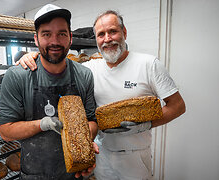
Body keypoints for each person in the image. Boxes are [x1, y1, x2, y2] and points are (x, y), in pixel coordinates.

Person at [17, 10, 186, 180]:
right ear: (96, 39)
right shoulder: (90, 68)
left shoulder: (149, 64)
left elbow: (178, 106)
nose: (107, 39)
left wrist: (145, 125)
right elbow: (58, 62)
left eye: (113, 31)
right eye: (101, 34)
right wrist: (33, 56)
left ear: (124, 32)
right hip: (101, 154)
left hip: (135, 157)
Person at [0, 4, 98, 180]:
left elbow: (92, 121)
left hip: (75, 174)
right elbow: (6, 131)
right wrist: (42, 124)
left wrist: (82, 144)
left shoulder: (84, 75)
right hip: (34, 174)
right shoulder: (17, 76)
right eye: (46, 34)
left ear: (70, 38)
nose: (55, 41)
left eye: (61, 33)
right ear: (36, 39)